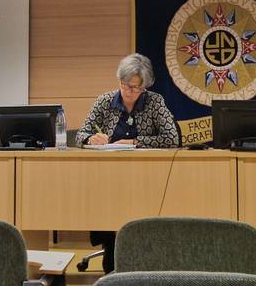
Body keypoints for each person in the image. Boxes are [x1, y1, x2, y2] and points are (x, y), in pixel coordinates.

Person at [74, 53, 180, 272]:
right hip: (107, 178)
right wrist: (90, 138)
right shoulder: (104, 101)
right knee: (110, 221)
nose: (130, 92)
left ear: (145, 86)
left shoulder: (154, 101)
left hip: (147, 179)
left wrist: (135, 141)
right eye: (126, 86)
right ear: (119, 81)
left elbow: (172, 138)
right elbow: (80, 134)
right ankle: (111, 262)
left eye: (136, 88)